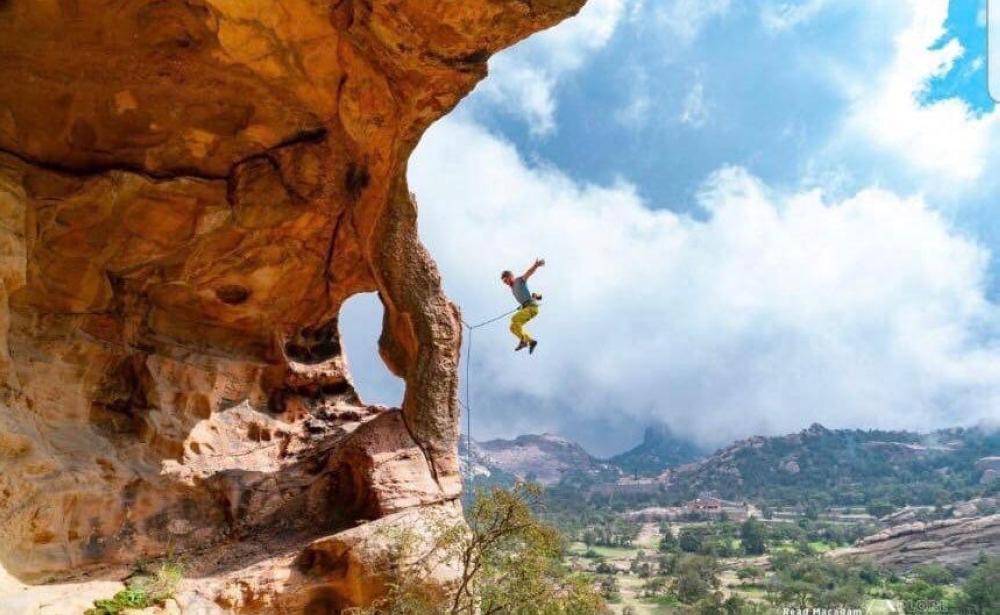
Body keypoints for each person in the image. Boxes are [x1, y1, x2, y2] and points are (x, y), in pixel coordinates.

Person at [501, 258, 545, 353]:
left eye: (506, 280)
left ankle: (524, 341)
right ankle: (531, 341)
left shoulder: (519, 281)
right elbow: (525, 299)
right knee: (513, 327)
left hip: (532, 308)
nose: (506, 283)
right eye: (504, 282)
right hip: (527, 308)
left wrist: (536, 265)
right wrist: (521, 306)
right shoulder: (513, 290)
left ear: (511, 276)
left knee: (514, 319)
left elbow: (528, 273)